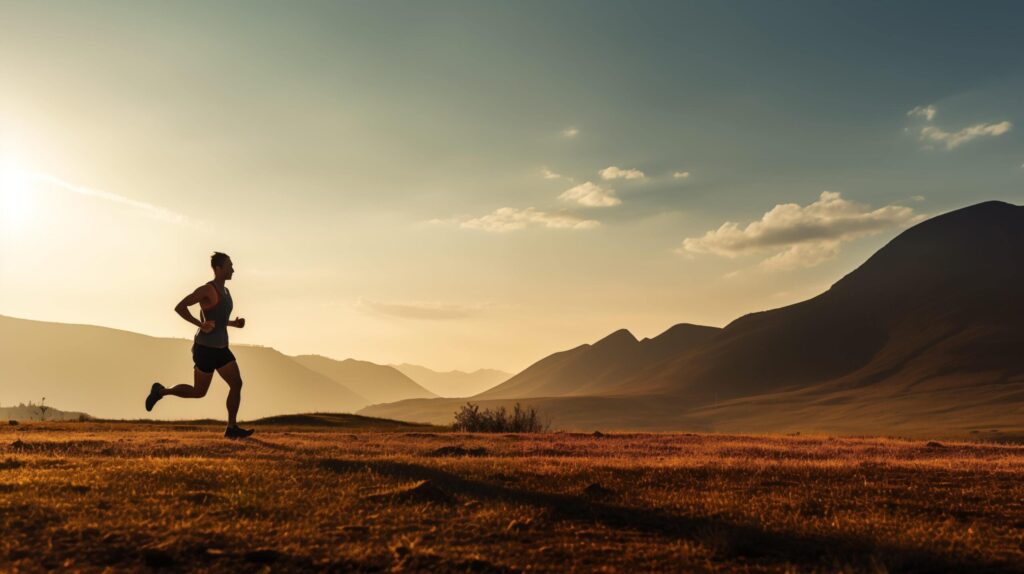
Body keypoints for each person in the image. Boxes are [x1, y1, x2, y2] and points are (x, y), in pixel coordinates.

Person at [145, 252, 254, 438]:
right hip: (205, 349)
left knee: (236, 383)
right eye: (229, 265)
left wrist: (234, 324)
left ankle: (231, 428)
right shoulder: (207, 289)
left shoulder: (226, 292)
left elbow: (217, 319)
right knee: (198, 392)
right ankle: (161, 391)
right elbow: (180, 306)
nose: (233, 269)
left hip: (222, 349)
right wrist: (200, 324)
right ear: (218, 268)